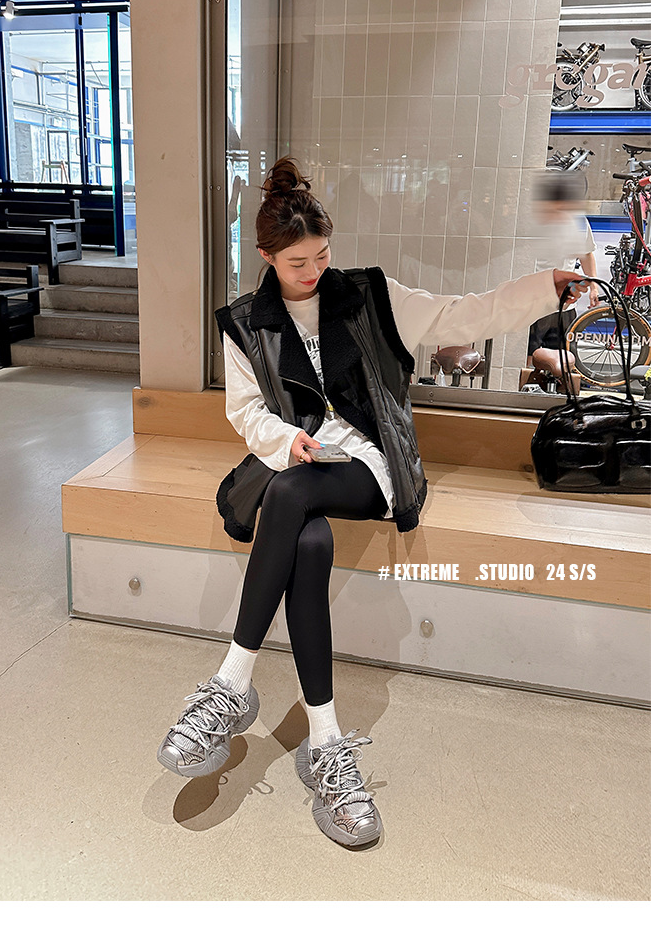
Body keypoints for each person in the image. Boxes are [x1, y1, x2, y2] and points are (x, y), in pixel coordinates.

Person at [157, 156, 590, 849]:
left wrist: (543, 289)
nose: (313, 271)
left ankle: (232, 680)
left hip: (368, 461)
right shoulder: (245, 322)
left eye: (322, 255)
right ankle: (326, 741)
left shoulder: (368, 294)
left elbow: (461, 312)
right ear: (266, 258)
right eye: (297, 262)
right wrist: (286, 440)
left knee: (289, 494)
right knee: (308, 540)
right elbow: (245, 411)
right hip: (297, 457)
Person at [527, 170, 600, 386]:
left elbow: (586, 254)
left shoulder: (579, 222)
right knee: (529, 358)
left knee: (562, 359)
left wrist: (594, 287)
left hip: (566, 304)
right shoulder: (534, 220)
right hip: (535, 301)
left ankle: (557, 401)